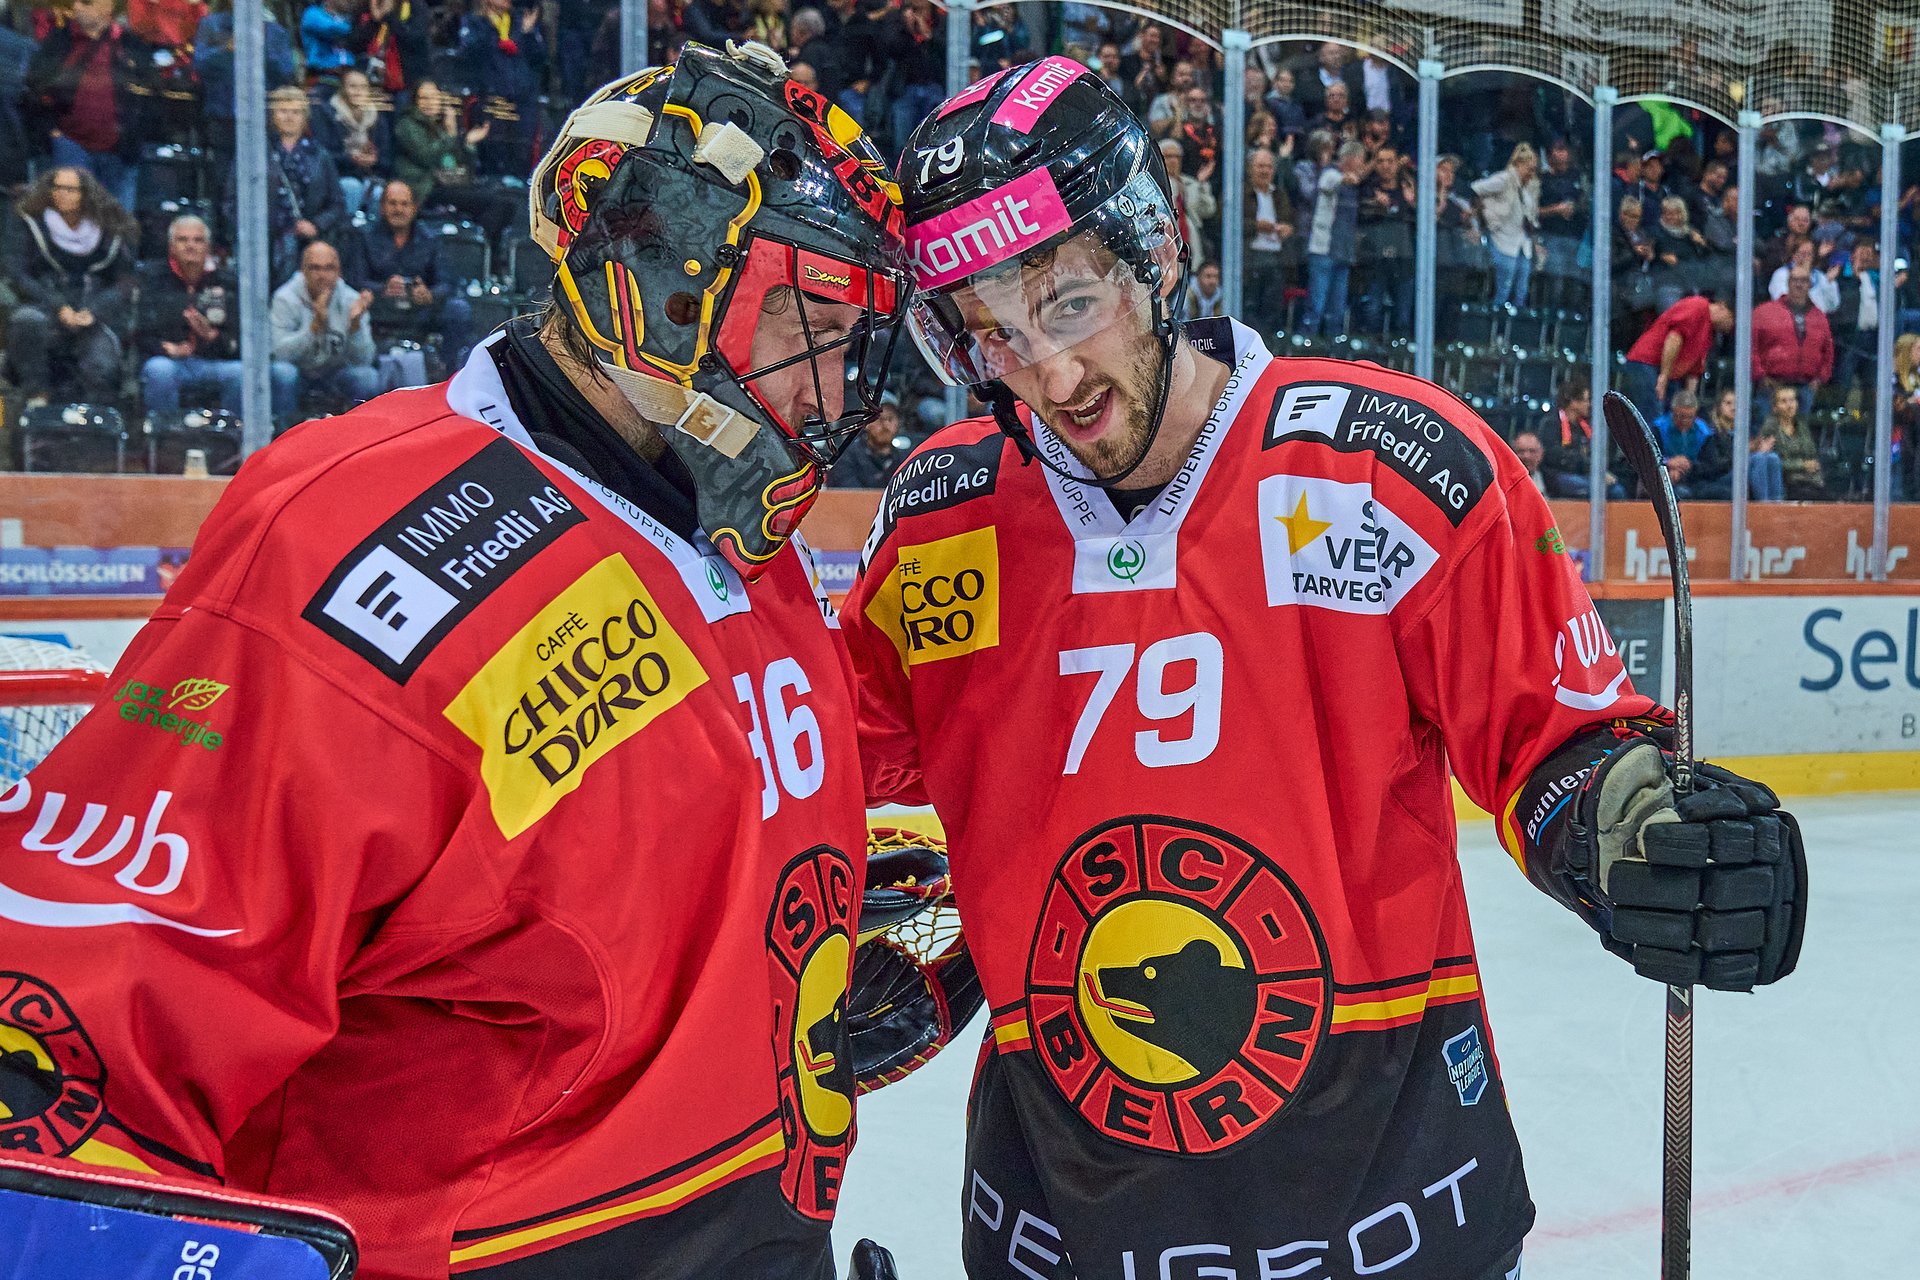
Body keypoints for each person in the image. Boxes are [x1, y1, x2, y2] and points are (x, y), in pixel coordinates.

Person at [850, 62, 1807, 1280]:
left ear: (1157, 250)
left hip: (1395, 1220)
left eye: (1071, 303)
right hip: (1057, 1230)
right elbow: (816, 769)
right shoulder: (940, 519)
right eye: (991, 332)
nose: (1048, 375)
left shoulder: (1395, 469)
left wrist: (1633, 823)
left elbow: (1556, 741)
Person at [0, 46, 921, 1278]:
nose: (835, 389)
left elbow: (595, 896)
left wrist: (792, 976)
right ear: (665, 287)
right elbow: (94, 1017)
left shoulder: (740, 526)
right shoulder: (352, 532)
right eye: (812, 327)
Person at [2, 165, 136, 408]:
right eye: (58, 188)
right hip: (44, 308)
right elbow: (18, 275)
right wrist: (58, 307)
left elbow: (124, 282)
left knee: (102, 364)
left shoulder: (109, 230)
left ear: (85, 194)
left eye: (71, 189)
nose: (63, 194)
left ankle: (93, 419)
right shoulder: (31, 224)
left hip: (92, 315)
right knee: (26, 321)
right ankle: (37, 399)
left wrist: (94, 311)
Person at [18, 0, 152, 211]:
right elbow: (35, 87)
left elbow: (149, 93)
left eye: (86, 2)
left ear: (107, 6)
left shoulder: (130, 44)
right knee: (67, 220)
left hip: (119, 151)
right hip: (69, 146)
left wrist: (135, 135)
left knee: (116, 224)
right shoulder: (59, 41)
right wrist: (52, 133)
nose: (77, 7)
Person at [341, 179, 475, 375]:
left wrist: (429, 294)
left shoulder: (430, 238)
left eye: (404, 204)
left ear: (414, 208)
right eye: (392, 203)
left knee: (458, 310)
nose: (398, 209)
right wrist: (382, 289)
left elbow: (447, 283)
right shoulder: (364, 237)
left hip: (418, 309)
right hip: (379, 308)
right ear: (382, 207)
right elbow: (353, 280)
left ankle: (450, 374)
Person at [136, 214, 261, 416]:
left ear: (208, 247)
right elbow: (139, 331)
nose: (190, 246)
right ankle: (166, 431)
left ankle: (233, 432)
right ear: (171, 247)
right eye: (183, 240)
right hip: (170, 362)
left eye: (198, 240)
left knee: (240, 373)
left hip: (213, 362)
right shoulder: (151, 280)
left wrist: (211, 336)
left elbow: (240, 339)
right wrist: (168, 349)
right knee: (159, 370)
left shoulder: (227, 282)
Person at [391, 79, 521, 240]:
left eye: (434, 97)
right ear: (415, 101)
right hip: (427, 187)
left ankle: (481, 247)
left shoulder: (442, 126)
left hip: (453, 183)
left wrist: (468, 144)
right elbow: (427, 156)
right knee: (495, 204)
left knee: (506, 202)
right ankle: (483, 248)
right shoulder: (407, 125)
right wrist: (451, 135)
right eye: (424, 98)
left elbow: (465, 165)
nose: (430, 102)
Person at [249, 85, 348, 290]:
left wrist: (316, 225)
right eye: (283, 111)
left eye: (296, 112)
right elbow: (233, 201)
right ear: (272, 115)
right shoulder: (256, 153)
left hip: (309, 244)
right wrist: (258, 228)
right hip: (264, 245)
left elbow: (337, 204)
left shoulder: (320, 156)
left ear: (305, 117)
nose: (289, 117)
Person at [269, 238, 381, 410]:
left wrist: (355, 327)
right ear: (303, 270)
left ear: (339, 272)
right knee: (283, 373)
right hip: (299, 373)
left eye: (329, 268)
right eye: (315, 268)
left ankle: (359, 426)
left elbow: (364, 360)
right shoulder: (285, 298)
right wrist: (314, 328)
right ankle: (282, 425)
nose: (322, 275)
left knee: (367, 377)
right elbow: (279, 354)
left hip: (336, 373)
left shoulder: (351, 300)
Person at [459, 0, 548, 177]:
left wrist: (528, 33)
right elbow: (468, 51)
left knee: (523, 149)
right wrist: (490, 28)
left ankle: (520, 182)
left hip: (521, 99)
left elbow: (540, 58)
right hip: (490, 98)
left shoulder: (520, 20)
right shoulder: (474, 21)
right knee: (493, 148)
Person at [1620, 293, 1735, 427]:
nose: (1730, 327)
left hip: (1669, 373)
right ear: (1722, 307)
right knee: (1652, 412)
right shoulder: (1698, 306)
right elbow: (1674, 338)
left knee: (1672, 415)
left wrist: (1689, 401)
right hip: (1647, 363)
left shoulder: (1709, 332)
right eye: (1731, 319)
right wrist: (1664, 376)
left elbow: (1695, 369)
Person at [1301, 139, 1366, 336]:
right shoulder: (1330, 174)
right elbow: (1330, 183)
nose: (1362, 164)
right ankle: (1308, 341)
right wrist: (1349, 177)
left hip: (1343, 252)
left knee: (1337, 307)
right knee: (1317, 304)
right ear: (1351, 158)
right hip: (1323, 249)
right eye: (1361, 160)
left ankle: (1333, 345)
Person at [1752, 267, 1834, 412]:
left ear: (1810, 284)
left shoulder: (1819, 317)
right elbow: (1751, 347)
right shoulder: (1764, 312)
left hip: (1805, 387)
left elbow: (1828, 351)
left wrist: (1820, 378)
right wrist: (1760, 376)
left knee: (1800, 426)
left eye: (1804, 280)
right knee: (1767, 425)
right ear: (1788, 282)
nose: (1799, 284)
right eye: (1794, 280)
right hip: (1772, 385)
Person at [1473, 141, 1540, 310]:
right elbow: (1476, 189)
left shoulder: (1527, 187)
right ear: (1519, 164)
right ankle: (1497, 322)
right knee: (1503, 289)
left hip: (1522, 243)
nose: (1531, 173)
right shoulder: (1504, 179)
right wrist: (1484, 217)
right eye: (1529, 169)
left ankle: (1516, 323)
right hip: (1502, 239)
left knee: (1521, 290)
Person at [1538, 378, 1623, 498]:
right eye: (1586, 400)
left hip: (1584, 474)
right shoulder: (1551, 423)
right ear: (1573, 402)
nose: (1589, 404)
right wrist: (1591, 469)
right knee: (1603, 489)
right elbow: (1554, 455)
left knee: (1616, 489)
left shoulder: (1584, 426)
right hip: (1559, 475)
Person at [1242, 146, 1293, 337]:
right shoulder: (1241, 193)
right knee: (1251, 305)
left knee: (1272, 306)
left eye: (1269, 167)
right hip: (1250, 257)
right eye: (1260, 166)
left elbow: (1291, 221)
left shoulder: (1280, 194)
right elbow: (1229, 224)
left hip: (1276, 257)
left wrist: (1288, 229)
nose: (1265, 171)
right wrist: (1257, 226)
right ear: (1250, 169)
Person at [1761, 381, 1827, 499]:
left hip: (1809, 479)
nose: (1789, 405)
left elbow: (1811, 453)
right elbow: (1771, 462)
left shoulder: (1802, 425)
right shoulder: (1770, 427)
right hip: (1786, 481)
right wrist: (1801, 465)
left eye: (1792, 400)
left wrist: (1811, 465)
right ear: (1775, 407)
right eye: (1784, 401)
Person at [829, 399, 905, 487]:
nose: (886, 425)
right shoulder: (846, 456)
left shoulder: (903, 459)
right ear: (867, 423)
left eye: (890, 419)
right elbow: (848, 491)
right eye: (880, 419)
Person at [1653, 388, 1708, 494]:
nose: (1685, 421)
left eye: (1690, 417)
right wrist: (1668, 463)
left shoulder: (1705, 432)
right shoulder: (1659, 428)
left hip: (1695, 477)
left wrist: (1687, 466)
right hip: (1663, 476)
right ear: (1673, 412)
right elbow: (1650, 456)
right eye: (1681, 416)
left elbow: (1708, 463)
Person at [1510, 427, 1547, 493]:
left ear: (1541, 453)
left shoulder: (1553, 480)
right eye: (1521, 451)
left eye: (1532, 451)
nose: (1526, 456)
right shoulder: (1505, 481)